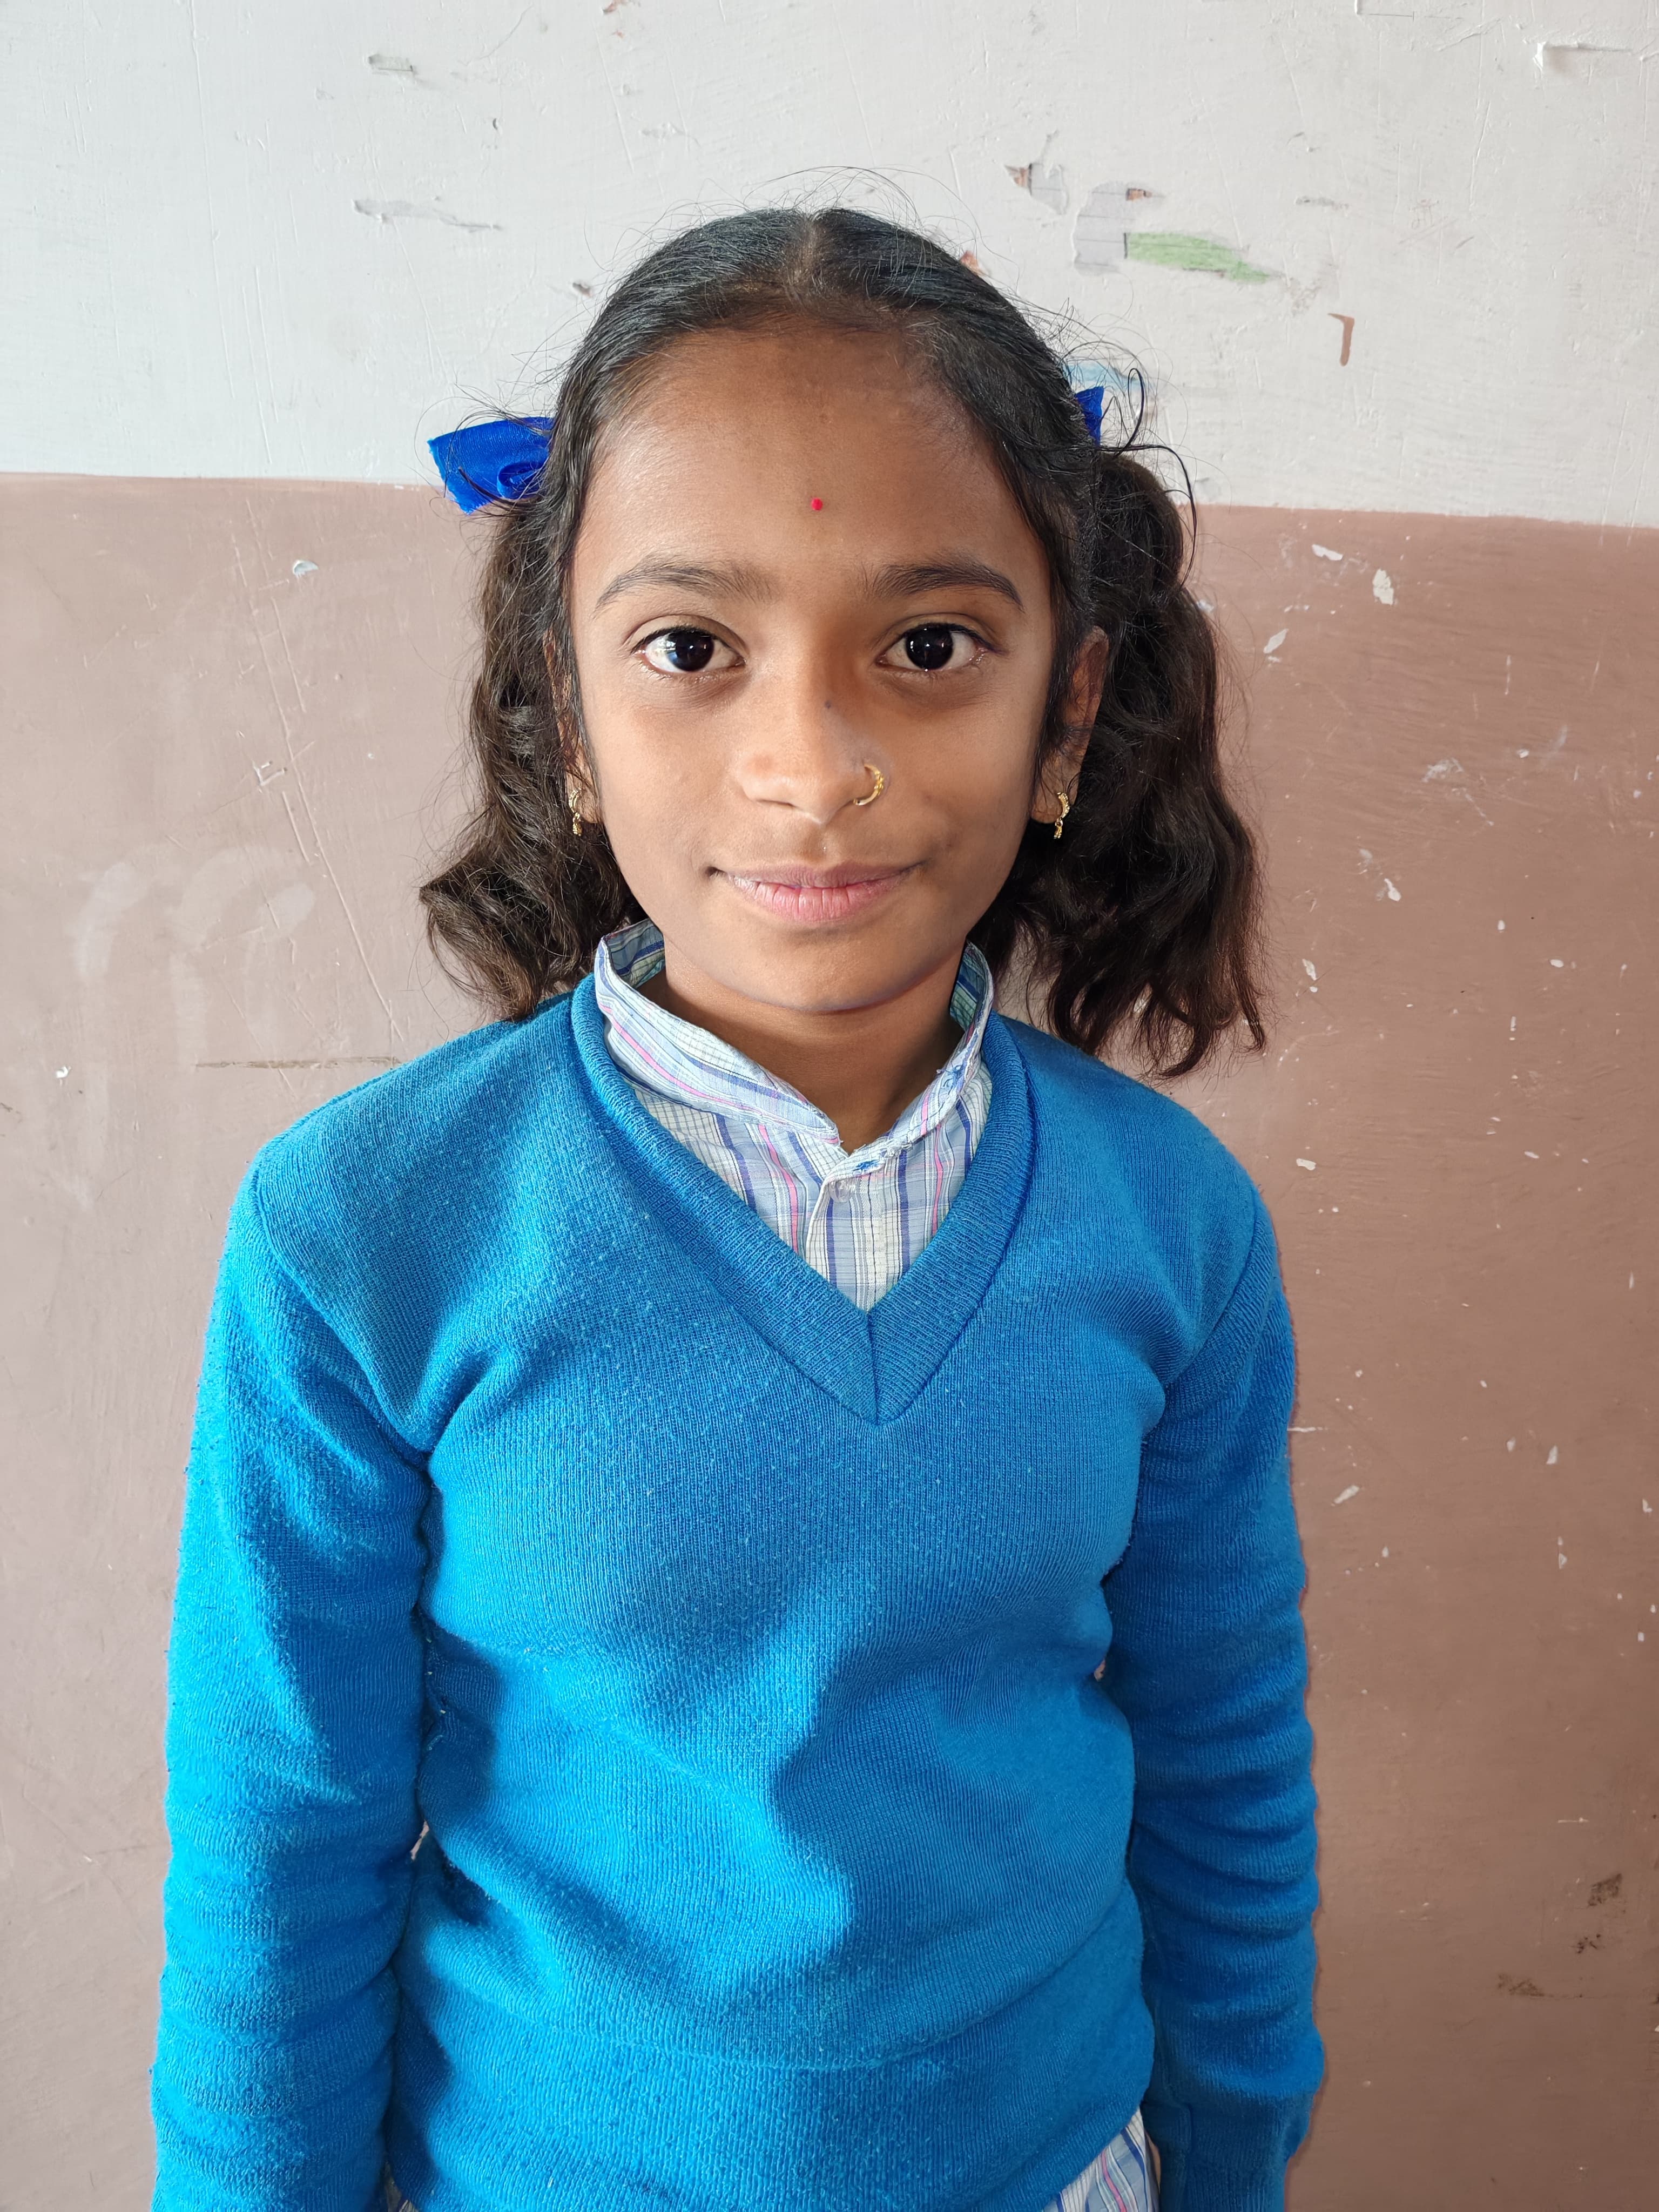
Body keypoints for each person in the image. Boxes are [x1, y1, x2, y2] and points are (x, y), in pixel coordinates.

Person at [150, 206, 1322, 2212]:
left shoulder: (1170, 1227)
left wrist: (1230, 2161)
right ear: (568, 706)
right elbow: (283, 1843)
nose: (812, 766)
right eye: (692, 650)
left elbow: (1222, 1756)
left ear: (1065, 713)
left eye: (929, 649)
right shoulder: (365, 1234)